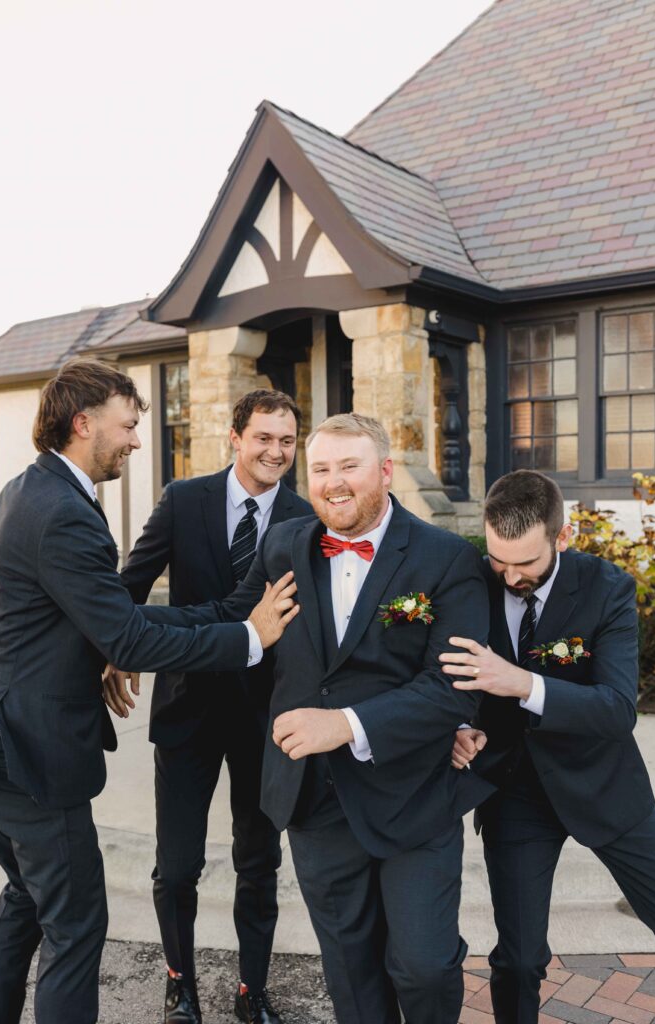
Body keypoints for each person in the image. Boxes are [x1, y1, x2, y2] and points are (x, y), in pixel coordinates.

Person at [135, 412, 495, 1024]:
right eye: (322, 468)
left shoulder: (447, 558)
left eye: (349, 466)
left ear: (384, 472)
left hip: (411, 795)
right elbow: (228, 614)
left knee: (425, 966)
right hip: (315, 801)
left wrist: (348, 724)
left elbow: (451, 688)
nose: (332, 483)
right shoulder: (285, 544)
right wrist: (120, 634)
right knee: (349, 971)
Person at [0, 360, 297, 1024]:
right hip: (31, 749)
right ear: (83, 422)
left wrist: (215, 628)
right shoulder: (66, 510)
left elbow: (114, 621)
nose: (135, 440)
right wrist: (244, 637)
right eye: (128, 425)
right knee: (75, 929)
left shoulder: (27, 490)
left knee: (30, 899)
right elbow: (125, 627)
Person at [107, 388, 310, 1024]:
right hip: (186, 707)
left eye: (287, 440)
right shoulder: (183, 500)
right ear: (235, 437)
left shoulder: (306, 518)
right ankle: (179, 983)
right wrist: (115, 650)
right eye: (264, 438)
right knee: (177, 865)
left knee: (259, 860)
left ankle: (254, 990)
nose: (275, 451)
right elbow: (127, 589)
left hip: (264, 717)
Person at [442, 469, 655, 1024]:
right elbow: (438, 670)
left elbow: (616, 708)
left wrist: (523, 683)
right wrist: (456, 726)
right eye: (499, 560)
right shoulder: (469, 577)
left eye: (526, 563)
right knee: (517, 960)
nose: (510, 575)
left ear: (562, 537)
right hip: (512, 790)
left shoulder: (608, 587)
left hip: (604, 783)